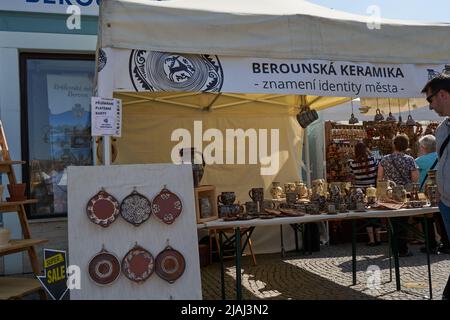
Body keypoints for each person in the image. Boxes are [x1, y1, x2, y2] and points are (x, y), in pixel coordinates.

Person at [422, 73, 450, 299]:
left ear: (443, 94)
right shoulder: (442, 128)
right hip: (446, 203)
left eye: (430, 100)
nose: (430, 106)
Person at [378, 134, 419, 257]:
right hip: (404, 195)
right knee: (402, 222)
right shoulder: (410, 159)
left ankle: (394, 248)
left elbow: (380, 178)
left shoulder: (384, 159)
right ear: (406, 146)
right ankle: (402, 249)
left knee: (392, 222)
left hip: (389, 194)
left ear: (394, 144)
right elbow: (415, 179)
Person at [415, 135, 450, 254]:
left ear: (423, 147)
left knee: (427, 220)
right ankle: (447, 244)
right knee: (442, 219)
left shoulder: (419, 161)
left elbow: (416, 179)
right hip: (442, 192)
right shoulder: (441, 156)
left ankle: (431, 245)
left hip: (426, 194)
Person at [349, 142, 381, 246]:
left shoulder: (352, 163)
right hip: (373, 190)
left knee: (367, 215)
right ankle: (379, 238)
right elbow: (377, 173)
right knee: (376, 213)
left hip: (361, 192)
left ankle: (371, 239)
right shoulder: (373, 160)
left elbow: (352, 177)